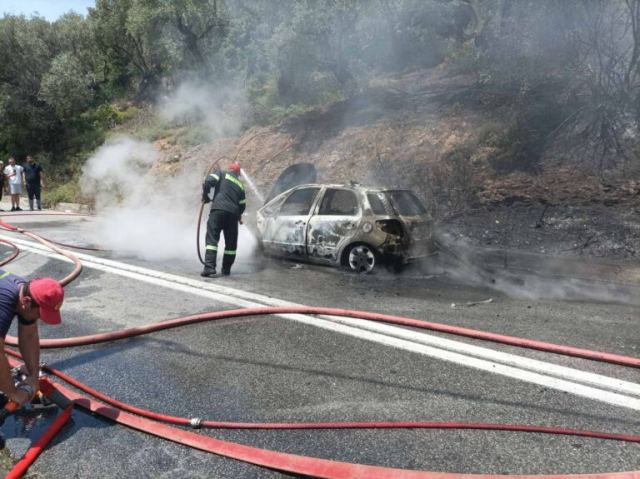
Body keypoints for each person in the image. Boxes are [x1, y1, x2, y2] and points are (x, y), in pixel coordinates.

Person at [0, 272, 64, 409]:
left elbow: (29, 336)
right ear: (26, 302)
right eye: (39, 314)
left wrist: (33, 377)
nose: (40, 318)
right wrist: (13, 393)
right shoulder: (3, 303)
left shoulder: (27, 292)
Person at [201, 162, 246, 277]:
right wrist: (238, 215)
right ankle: (226, 270)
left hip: (218, 211)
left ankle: (209, 268)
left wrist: (205, 196)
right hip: (233, 215)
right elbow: (242, 205)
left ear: (229, 169)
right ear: (238, 173)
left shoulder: (221, 173)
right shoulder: (240, 185)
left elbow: (208, 181)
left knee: (212, 239)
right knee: (231, 245)